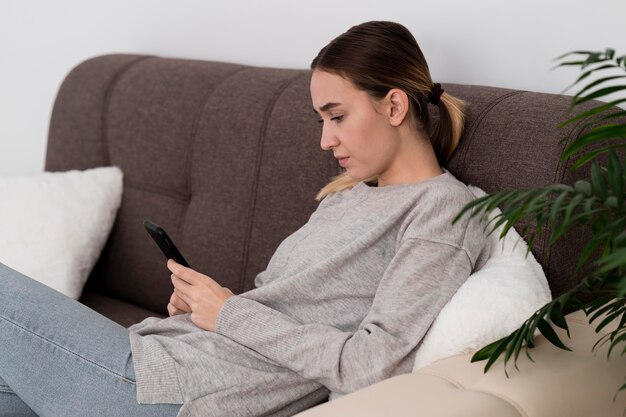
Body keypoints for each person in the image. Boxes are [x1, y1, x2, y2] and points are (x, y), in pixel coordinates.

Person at [0, 21, 489, 417]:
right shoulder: (348, 196)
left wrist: (228, 313)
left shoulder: (443, 212)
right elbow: (279, 309)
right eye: (321, 120)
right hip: (167, 357)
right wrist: (207, 310)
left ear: (395, 105)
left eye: (337, 116)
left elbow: (372, 365)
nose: (325, 140)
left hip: (180, 394)